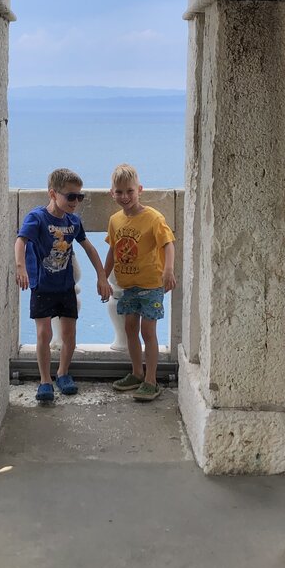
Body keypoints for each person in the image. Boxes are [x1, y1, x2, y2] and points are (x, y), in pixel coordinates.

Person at [15, 168, 112, 402]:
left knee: (69, 334)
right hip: (42, 285)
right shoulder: (37, 218)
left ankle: (63, 373)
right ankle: (45, 380)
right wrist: (20, 267)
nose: (75, 201)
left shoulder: (73, 222)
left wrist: (101, 275)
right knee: (44, 334)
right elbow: (21, 240)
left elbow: (88, 247)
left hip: (65, 285)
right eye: (71, 196)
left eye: (80, 197)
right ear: (52, 194)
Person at [105, 164, 176, 401]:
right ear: (112, 193)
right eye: (119, 192)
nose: (124, 197)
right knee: (130, 329)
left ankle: (151, 380)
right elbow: (113, 250)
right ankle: (137, 373)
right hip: (128, 286)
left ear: (140, 190)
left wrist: (168, 270)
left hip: (151, 285)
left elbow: (168, 243)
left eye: (129, 191)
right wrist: (102, 277)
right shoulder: (115, 220)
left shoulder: (153, 218)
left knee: (148, 331)